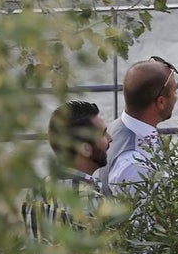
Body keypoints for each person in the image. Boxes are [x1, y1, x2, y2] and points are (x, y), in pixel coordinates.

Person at [22, 100, 112, 237]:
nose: (110, 138)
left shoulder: (35, 192)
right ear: (85, 148)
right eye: (103, 134)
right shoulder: (90, 199)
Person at [97, 55, 178, 196]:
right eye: (174, 91)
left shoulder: (118, 127)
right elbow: (142, 217)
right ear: (161, 102)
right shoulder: (133, 165)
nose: (177, 97)